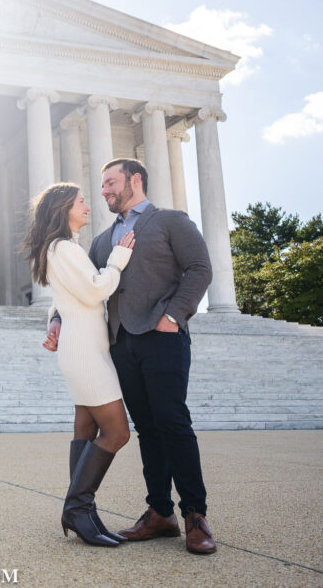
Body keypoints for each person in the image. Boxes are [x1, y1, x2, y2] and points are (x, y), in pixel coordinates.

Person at [87, 157, 216, 554]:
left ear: (135, 180)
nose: (105, 189)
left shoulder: (171, 220)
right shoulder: (102, 240)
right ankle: (160, 512)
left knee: (172, 422)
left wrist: (173, 316)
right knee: (147, 428)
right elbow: (85, 284)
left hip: (163, 337)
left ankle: (195, 514)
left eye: (111, 182)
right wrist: (57, 319)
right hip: (122, 342)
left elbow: (200, 269)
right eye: (103, 184)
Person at [23, 182, 135, 547]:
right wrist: (118, 259)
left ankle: (84, 512)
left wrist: (54, 320)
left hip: (85, 346)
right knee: (117, 432)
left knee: (86, 430)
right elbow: (94, 291)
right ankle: (77, 507)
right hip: (85, 352)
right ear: (63, 208)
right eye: (81, 202)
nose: (88, 206)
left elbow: (67, 297)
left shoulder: (61, 248)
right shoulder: (63, 248)